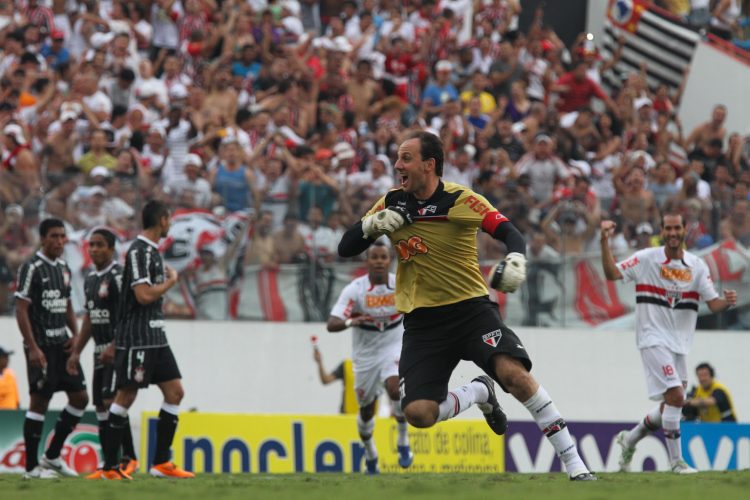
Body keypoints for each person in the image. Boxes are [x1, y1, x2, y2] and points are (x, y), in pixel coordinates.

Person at [338, 131, 596, 481]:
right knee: (418, 413)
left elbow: (509, 231)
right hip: (423, 323)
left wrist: (517, 257)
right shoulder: (390, 202)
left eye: (406, 158)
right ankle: (478, 391)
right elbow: (345, 247)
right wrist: (370, 225)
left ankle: (574, 464)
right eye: (398, 158)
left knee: (515, 376)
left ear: (429, 165)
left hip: (471, 312)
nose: (398, 165)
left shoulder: (461, 199)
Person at [599, 214, 737, 474]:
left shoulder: (697, 266)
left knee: (673, 403)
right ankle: (676, 463)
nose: (673, 232)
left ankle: (630, 438)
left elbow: (713, 303)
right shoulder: (646, 258)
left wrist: (726, 301)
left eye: (677, 228)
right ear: (661, 231)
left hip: (679, 345)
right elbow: (611, 273)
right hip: (652, 338)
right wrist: (604, 241)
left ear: (685, 230)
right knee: (676, 396)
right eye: (668, 228)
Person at [100, 200, 193, 480]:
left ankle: (161, 462)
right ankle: (110, 468)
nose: (171, 224)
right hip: (138, 336)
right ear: (162, 220)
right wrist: (171, 282)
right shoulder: (139, 250)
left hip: (156, 335)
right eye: (169, 219)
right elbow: (142, 295)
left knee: (175, 392)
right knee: (126, 396)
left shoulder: (152, 251)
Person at [326, 242, 413, 475]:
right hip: (365, 357)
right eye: (374, 257)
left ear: (389, 260)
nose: (378, 261)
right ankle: (371, 453)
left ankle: (403, 442)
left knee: (395, 390)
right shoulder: (355, 290)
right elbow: (331, 324)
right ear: (367, 261)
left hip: (393, 347)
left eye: (383, 257)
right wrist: (350, 321)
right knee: (366, 411)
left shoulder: (400, 284)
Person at [15, 218, 88, 479]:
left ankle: (53, 455)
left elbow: (67, 303)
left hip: (63, 344)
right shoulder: (31, 267)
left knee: (80, 397)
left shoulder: (65, 268)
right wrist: (32, 347)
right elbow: (21, 309)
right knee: (40, 402)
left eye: (62, 236)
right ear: (43, 238)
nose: (59, 241)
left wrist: (77, 334)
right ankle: (31, 468)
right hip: (42, 346)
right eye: (54, 236)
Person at [65, 229, 138, 478]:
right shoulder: (90, 279)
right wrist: (76, 352)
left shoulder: (118, 276)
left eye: (99, 245)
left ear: (111, 248)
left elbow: (130, 315)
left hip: (117, 351)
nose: (94, 249)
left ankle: (126, 459)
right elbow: (90, 319)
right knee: (100, 407)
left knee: (111, 402)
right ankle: (110, 465)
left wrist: (115, 345)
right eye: (91, 245)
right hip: (98, 353)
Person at [311, 339, 358, 415]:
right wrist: (319, 362)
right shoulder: (347, 365)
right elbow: (325, 380)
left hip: (371, 419)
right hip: (346, 417)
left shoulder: (377, 367)